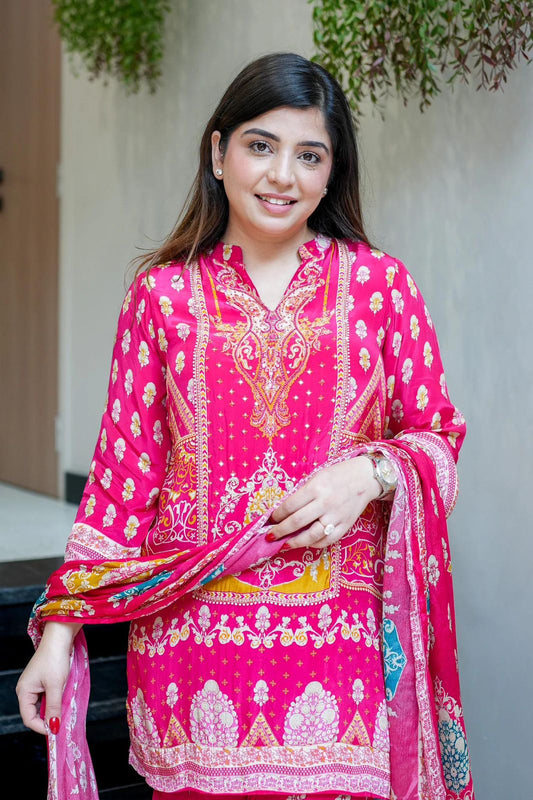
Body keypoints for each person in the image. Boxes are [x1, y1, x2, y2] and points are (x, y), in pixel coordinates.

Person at [16, 52, 474, 800]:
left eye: (309, 155)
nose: (281, 175)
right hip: (190, 650)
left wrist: (366, 473)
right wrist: (59, 636)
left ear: (331, 174)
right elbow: (120, 485)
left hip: (343, 649)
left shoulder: (381, 285)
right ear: (218, 151)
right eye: (260, 145)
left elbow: (438, 436)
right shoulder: (160, 297)